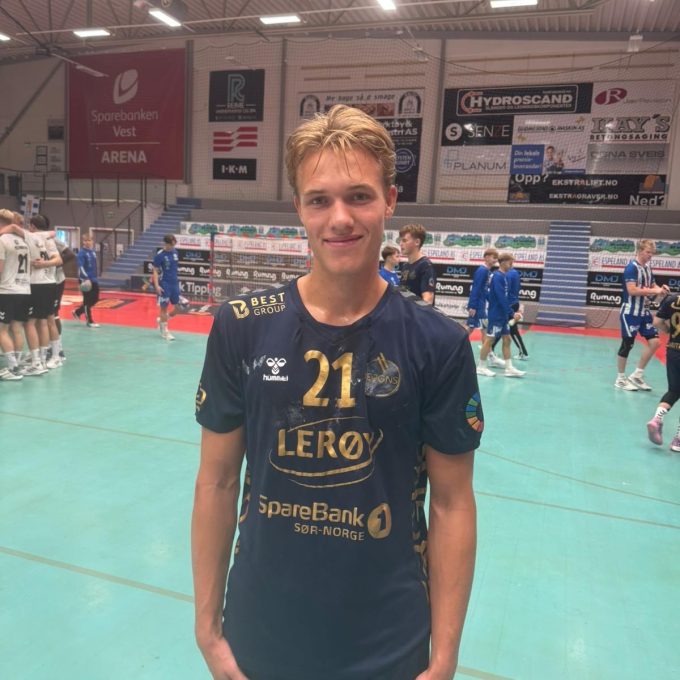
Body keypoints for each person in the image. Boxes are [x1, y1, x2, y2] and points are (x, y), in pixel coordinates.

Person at [192, 104, 481, 680]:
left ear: (390, 201)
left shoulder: (439, 343)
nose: (340, 218)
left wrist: (445, 656)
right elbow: (217, 481)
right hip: (260, 632)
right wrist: (207, 626)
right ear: (298, 208)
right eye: (319, 199)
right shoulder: (241, 326)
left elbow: (452, 504)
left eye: (359, 196)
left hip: (388, 641)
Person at [615, 239, 669, 391]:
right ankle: (620, 379)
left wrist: (661, 289)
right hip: (630, 313)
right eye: (648, 252)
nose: (650, 255)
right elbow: (632, 290)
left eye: (652, 253)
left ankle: (637, 375)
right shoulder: (631, 268)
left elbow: (652, 285)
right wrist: (655, 290)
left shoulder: (647, 268)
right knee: (627, 345)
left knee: (655, 342)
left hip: (644, 312)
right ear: (639, 251)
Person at [477, 253, 525, 378]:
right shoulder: (498, 277)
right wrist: (512, 313)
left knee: (507, 339)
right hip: (496, 315)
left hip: (502, 314)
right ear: (503, 262)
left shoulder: (503, 276)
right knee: (489, 340)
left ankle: (509, 368)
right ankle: (481, 367)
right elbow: (501, 297)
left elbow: (497, 295)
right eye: (510, 262)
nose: (512, 265)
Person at [646, 293, 680, 452]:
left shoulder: (672, 299)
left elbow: (657, 322)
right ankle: (678, 440)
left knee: (673, 391)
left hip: (673, 350)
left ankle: (657, 418)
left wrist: (669, 331)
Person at [490, 256, 528, 360]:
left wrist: (508, 308)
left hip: (509, 304)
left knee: (511, 330)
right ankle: (490, 349)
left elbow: (504, 292)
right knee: (504, 329)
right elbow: (517, 287)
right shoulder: (515, 273)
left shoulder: (506, 274)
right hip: (514, 302)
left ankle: (523, 352)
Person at [152, 234, 181, 341]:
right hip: (165, 284)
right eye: (171, 245)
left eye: (174, 244)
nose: (173, 246)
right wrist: (157, 285)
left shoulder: (175, 252)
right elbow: (155, 271)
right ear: (166, 244)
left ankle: (161, 320)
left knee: (179, 307)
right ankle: (165, 331)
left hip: (174, 284)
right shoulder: (160, 255)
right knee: (164, 308)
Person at [398, 223, 436, 304]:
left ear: (417, 242)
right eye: (400, 240)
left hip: (416, 312)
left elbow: (428, 300)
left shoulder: (425, 265)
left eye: (404, 240)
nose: (400, 244)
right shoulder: (405, 266)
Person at [466, 248, 498, 343]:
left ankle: (486, 351)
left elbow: (485, 290)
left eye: (496, 258)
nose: (495, 260)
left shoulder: (488, 271)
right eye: (494, 257)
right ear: (486, 257)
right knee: (483, 330)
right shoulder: (482, 271)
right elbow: (475, 288)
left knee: (474, 329)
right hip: (478, 307)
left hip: (482, 305)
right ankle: (454, 345)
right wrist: (472, 306)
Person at [73, 234, 100, 328]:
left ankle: (77, 312)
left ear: (92, 241)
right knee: (87, 300)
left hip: (94, 279)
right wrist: (86, 278)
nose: (87, 242)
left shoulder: (93, 252)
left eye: (89, 240)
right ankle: (89, 321)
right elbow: (81, 267)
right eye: (85, 240)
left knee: (95, 299)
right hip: (85, 280)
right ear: (83, 242)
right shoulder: (81, 253)